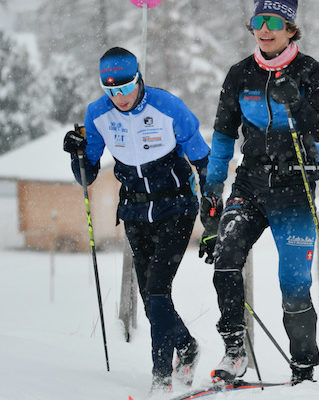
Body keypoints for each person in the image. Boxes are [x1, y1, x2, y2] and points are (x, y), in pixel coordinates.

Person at [62, 47, 209, 392]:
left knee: (158, 290)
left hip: (176, 206)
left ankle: (161, 380)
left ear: (138, 78)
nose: (120, 97)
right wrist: (77, 153)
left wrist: (213, 199)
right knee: (149, 298)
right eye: (110, 90)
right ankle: (187, 348)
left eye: (125, 88)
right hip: (134, 211)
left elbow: (202, 157)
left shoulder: (167, 106)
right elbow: (87, 175)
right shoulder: (97, 114)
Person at [200, 0, 319, 385]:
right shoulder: (240, 74)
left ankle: (303, 369)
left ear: (291, 28)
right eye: (259, 21)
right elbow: (223, 136)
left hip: (295, 186)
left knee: (293, 286)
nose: (265, 28)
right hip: (250, 183)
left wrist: (297, 102)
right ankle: (235, 351)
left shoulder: (311, 70)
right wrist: (212, 190)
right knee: (225, 258)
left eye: (275, 21)